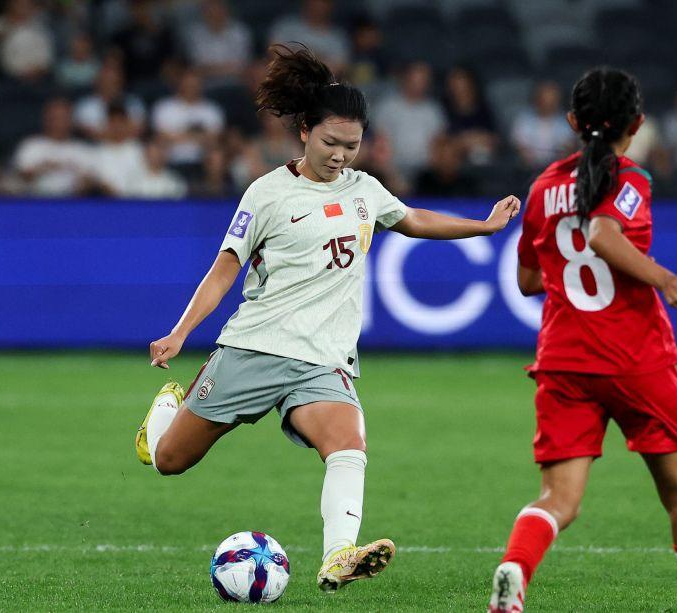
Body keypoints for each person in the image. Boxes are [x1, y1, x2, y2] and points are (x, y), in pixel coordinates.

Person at [134, 44, 520, 594]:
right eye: (330, 143)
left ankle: (338, 555)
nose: (341, 156)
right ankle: (166, 414)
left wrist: (482, 227)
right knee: (170, 460)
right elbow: (224, 269)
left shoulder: (365, 190)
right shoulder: (267, 193)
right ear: (304, 132)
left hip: (323, 359)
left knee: (348, 444)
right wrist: (180, 332)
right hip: (256, 347)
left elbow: (411, 218)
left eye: (352, 146)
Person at [486, 67, 677, 613]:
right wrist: (664, 278)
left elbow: (527, 280)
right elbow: (602, 234)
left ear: (572, 121)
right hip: (636, 359)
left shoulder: (543, 188)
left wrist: (567, 270)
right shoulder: (631, 179)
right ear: (636, 125)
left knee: (558, 499)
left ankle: (515, 568)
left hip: (565, 359)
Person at [511, 80, 577, 169]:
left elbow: (567, 148)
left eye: (553, 99)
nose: (549, 103)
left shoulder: (565, 122)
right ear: (537, 99)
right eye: (545, 98)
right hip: (527, 169)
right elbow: (520, 147)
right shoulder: (524, 120)